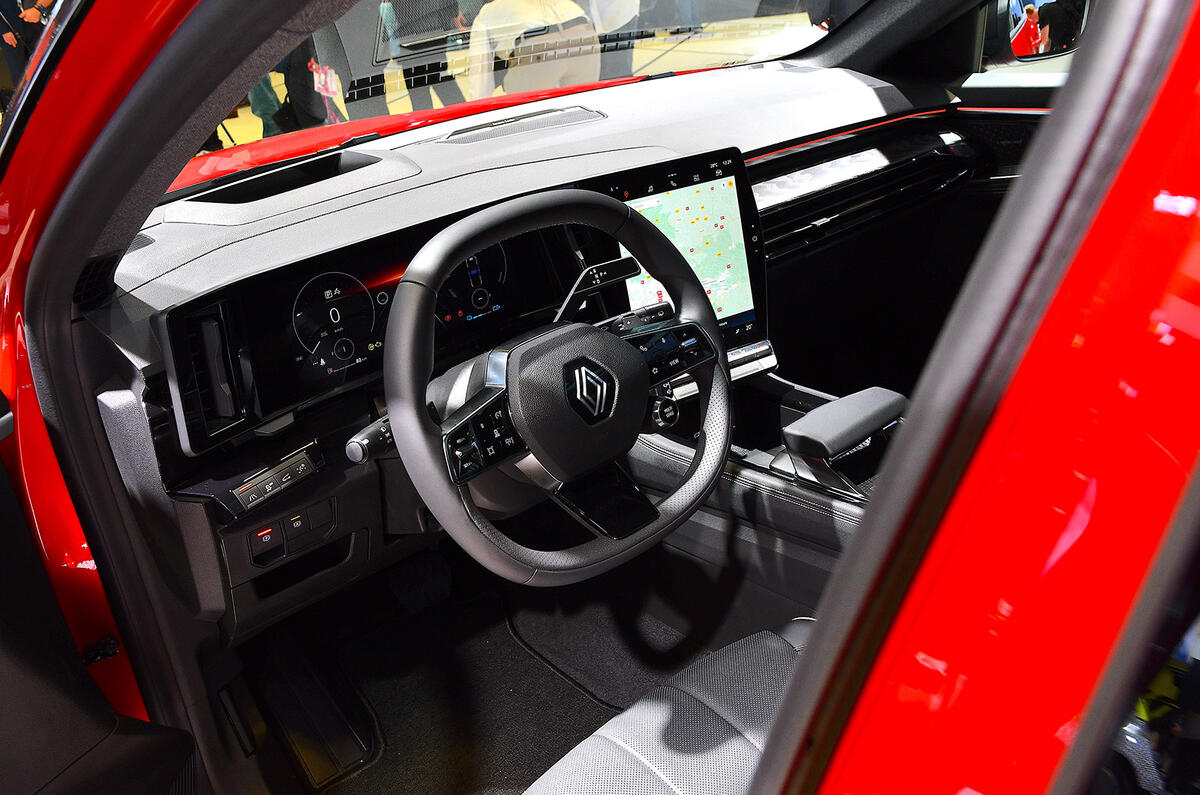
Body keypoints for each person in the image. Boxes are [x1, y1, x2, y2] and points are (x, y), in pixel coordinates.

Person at [466, 0, 600, 101]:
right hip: (585, 37)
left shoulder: (487, 13)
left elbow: (480, 75)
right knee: (582, 108)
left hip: (537, 47)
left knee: (520, 115)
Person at [1, 0, 51, 94]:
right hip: (10, 30)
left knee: (47, 66)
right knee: (20, 78)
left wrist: (38, 9)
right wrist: (3, 30)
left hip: (40, 19)